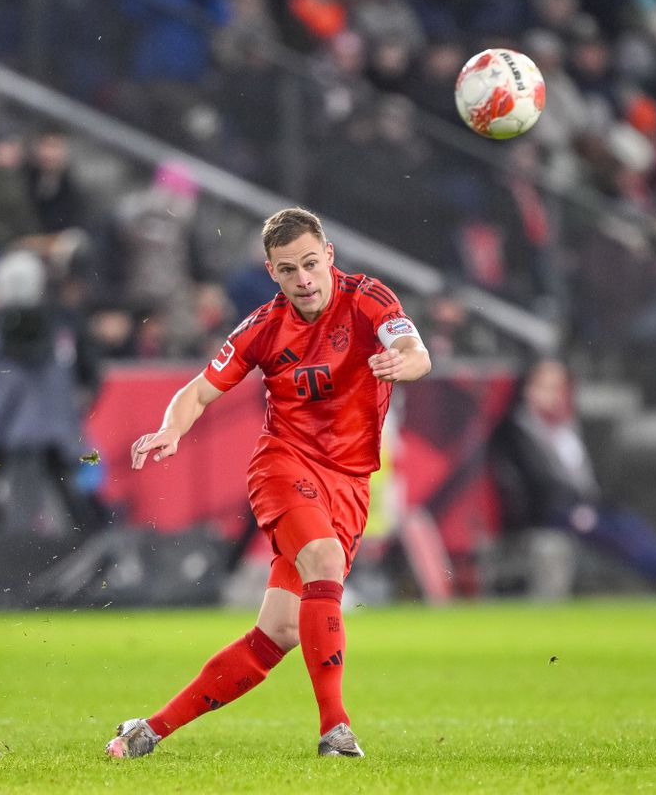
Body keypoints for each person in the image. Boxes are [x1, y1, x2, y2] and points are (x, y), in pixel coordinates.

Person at [105, 207, 431, 759]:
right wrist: (170, 429)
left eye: (310, 264)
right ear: (271, 272)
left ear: (328, 257)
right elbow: (199, 390)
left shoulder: (370, 297)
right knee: (325, 562)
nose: (303, 279)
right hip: (285, 466)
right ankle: (336, 729)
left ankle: (149, 730)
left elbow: (414, 350)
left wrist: (404, 365)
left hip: (349, 483)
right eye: (288, 270)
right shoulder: (261, 327)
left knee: (277, 634)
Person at [490, 357, 656, 599]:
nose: (552, 395)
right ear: (528, 389)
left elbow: (585, 476)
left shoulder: (567, 429)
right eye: (544, 386)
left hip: (585, 505)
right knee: (604, 529)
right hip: (551, 512)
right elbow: (538, 484)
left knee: (626, 520)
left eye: (558, 387)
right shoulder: (518, 431)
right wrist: (575, 506)